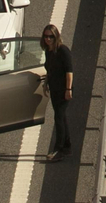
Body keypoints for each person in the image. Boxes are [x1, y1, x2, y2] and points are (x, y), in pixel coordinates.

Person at [42, 24, 75, 161]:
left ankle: (58, 149)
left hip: (63, 89)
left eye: (51, 36)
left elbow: (69, 71)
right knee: (61, 117)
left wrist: (68, 89)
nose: (48, 39)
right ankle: (67, 147)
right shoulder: (48, 51)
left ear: (56, 37)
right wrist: (46, 83)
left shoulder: (63, 50)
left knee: (59, 118)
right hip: (54, 89)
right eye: (46, 36)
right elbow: (49, 69)